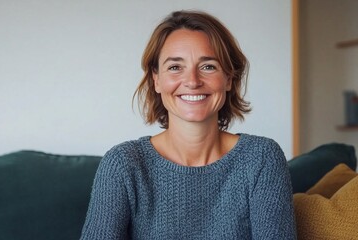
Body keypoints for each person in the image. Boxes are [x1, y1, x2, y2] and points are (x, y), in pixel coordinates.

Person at [80, 10, 296, 240]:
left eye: (208, 66)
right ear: (156, 79)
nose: (192, 81)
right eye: (175, 67)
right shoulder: (123, 164)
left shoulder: (261, 158)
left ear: (229, 78)